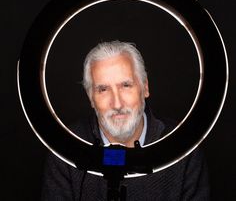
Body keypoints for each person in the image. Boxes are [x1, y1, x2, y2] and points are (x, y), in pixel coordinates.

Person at [41, 41, 209, 200]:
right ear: (91, 98)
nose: (117, 103)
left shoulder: (183, 149)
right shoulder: (65, 151)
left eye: (126, 86)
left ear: (145, 88)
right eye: (103, 89)